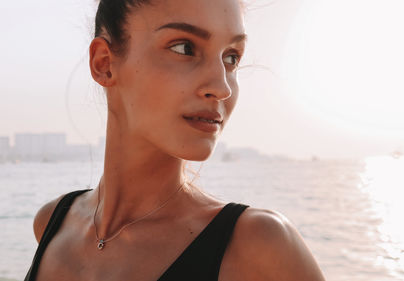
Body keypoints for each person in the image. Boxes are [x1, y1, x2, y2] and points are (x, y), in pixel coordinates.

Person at [25, 0, 326, 280]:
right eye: (184, 48)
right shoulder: (52, 223)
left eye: (231, 58)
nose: (221, 87)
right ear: (104, 63)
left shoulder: (260, 247)